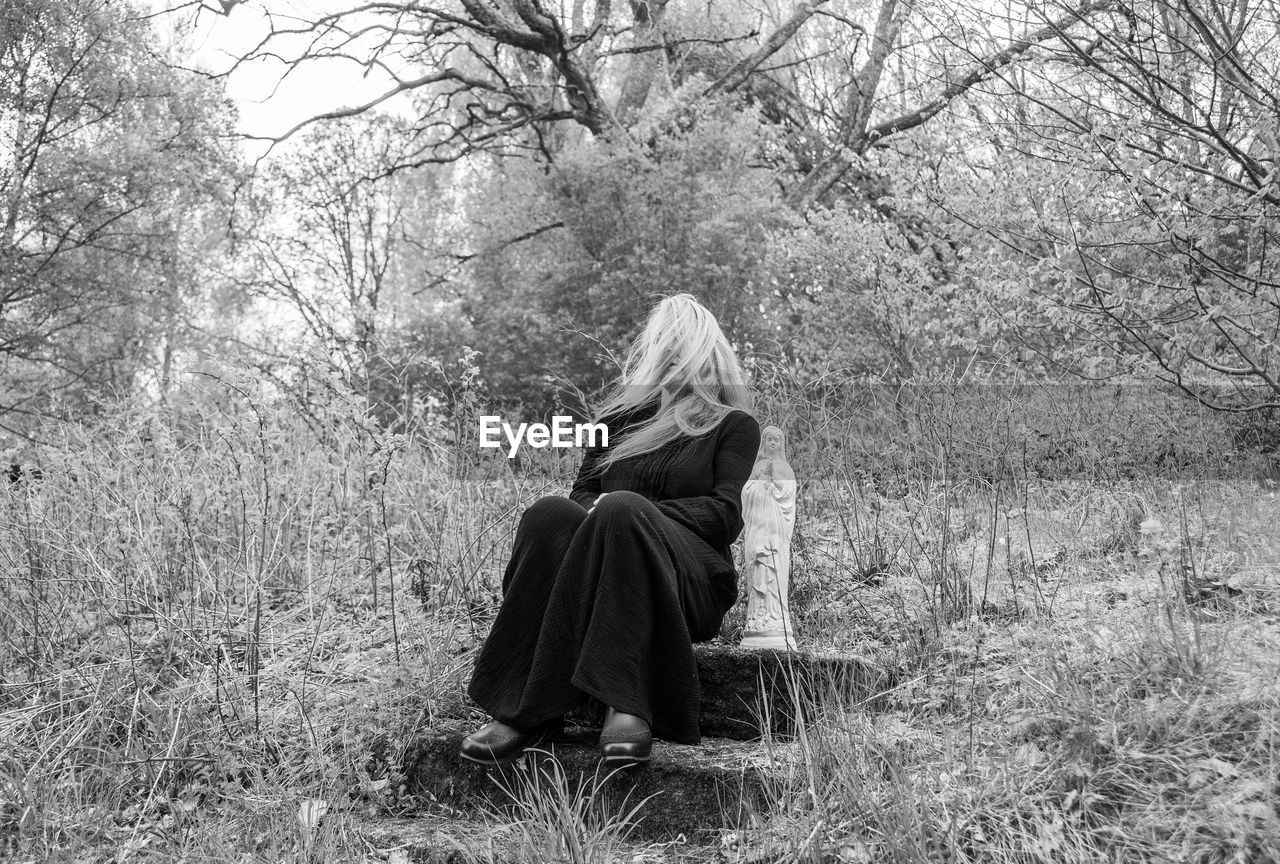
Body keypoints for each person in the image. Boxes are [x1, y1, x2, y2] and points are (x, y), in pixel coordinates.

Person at [461, 293, 761, 766]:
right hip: (604, 565)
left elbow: (725, 514)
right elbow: (583, 494)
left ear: (709, 356)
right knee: (549, 513)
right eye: (664, 349)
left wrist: (640, 513)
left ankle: (629, 701)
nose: (672, 361)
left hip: (688, 579)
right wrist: (607, 509)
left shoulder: (732, 426)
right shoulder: (617, 422)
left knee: (622, 510)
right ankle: (527, 710)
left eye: (684, 351)